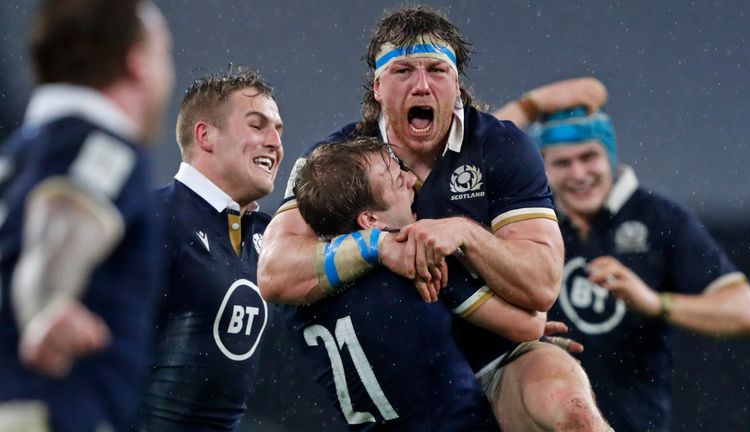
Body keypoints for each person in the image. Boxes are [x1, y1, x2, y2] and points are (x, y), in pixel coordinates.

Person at [259, 5, 611, 431]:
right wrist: (380, 246)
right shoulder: (335, 163)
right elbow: (274, 273)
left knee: (572, 411)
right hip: (407, 373)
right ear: (377, 87)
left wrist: (463, 232)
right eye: (403, 70)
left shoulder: (502, 147)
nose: (421, 84)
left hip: (499, 357)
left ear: (457, 86)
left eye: (437, 70)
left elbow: (539, 286)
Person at [526, 105, 750, 431]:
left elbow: (747, 314)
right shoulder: (529, 221)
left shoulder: (660, 219)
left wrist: (654, 302)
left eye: (589, 157)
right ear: (541, 168)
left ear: (609, 156)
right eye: (562, 163)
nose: (579, 173)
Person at [287, 136, 544, 430]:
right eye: (398, 180)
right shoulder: (414, 261)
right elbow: (531, 324)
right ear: (370, 220)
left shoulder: (295, 294)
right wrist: (471, 240)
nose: (412, 180)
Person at [0, 0, 174, 431]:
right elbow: (61, 221)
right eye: (163, 53)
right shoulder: (102, 143)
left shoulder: (17, 157)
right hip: (49, 413)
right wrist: (46, 304)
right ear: (138, 64)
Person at [131, 66, 283, 431]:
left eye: (278, 130)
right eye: (257, 125)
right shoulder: (150, 220)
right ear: (205, 135)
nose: (275, 143)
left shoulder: (273, 236)